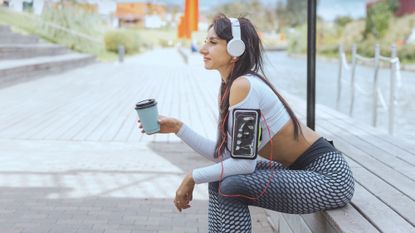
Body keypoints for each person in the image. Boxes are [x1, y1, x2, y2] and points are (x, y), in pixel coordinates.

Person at [138, 13, 355, 233]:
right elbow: (226, 157)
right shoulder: (231, 86)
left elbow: (244, 165)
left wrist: (192, 177)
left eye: (212, 43)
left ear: (235, 50)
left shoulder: (244, 86)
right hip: (303, 171)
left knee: (231, 184)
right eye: (206, 42)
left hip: (330, 179)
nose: (203, 49)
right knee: (220, 177)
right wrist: (178, 128)